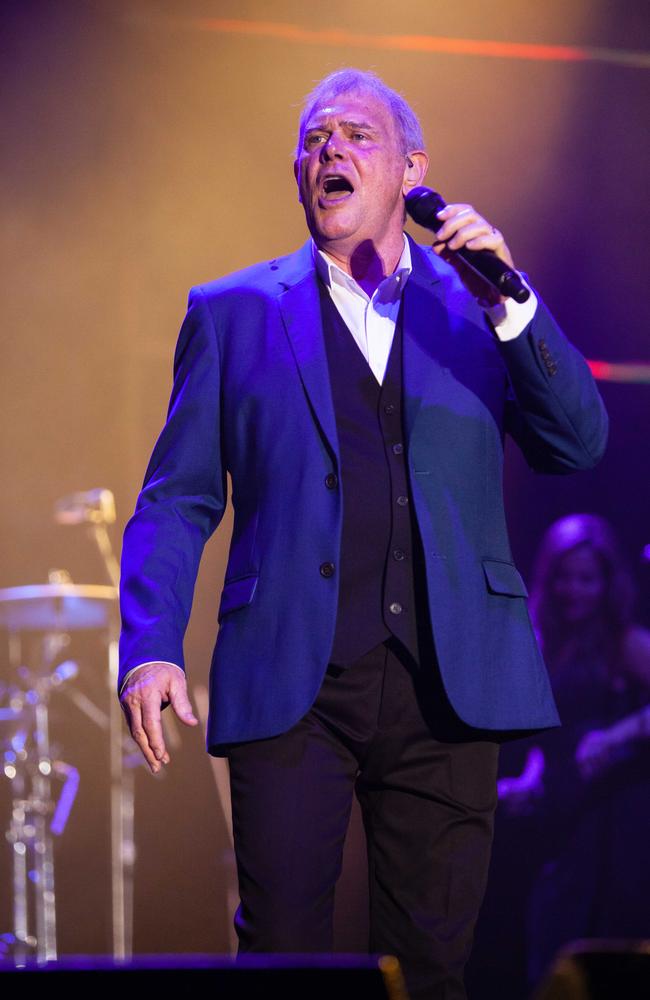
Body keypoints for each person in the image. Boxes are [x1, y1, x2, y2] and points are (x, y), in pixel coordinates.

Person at [117, 69, 608, 998]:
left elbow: (579, 443)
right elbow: (176, 498)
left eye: (356, 136)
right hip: (293, 680)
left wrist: (514, 301)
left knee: (432, 967)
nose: (328, 152)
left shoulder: (478, 312)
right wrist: (150, 647)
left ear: (414, 169)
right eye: (313, 140)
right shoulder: (233, 313)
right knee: (285, 958)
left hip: (451, 686)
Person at [499, 514, 650, 987]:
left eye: (586, 578)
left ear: (607, 581)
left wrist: (617, 736)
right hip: (564, 818)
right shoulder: (545, 642)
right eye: (564, 577)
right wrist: (528, 779)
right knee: (553, 938)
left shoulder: (626, 643)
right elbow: (548, 734)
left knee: (613, 935)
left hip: (619, 816)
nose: (574, 590)